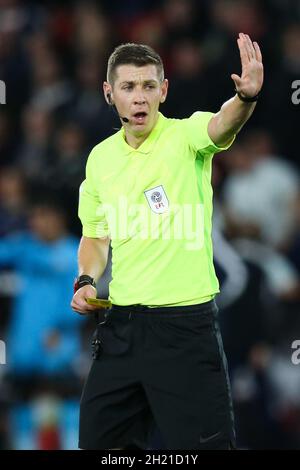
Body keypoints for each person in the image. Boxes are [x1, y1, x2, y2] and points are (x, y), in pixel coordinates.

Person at [71, 34, 264, 450]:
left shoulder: (186, 137)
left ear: (164, 90)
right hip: (121, 328)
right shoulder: (100, 159)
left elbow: (221, 122)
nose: (139, 98)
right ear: (109, 93)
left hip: (185, 330)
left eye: (147, 86)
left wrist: (244, 99)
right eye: (127, 87)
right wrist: (85, 279)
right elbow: (95, 235)